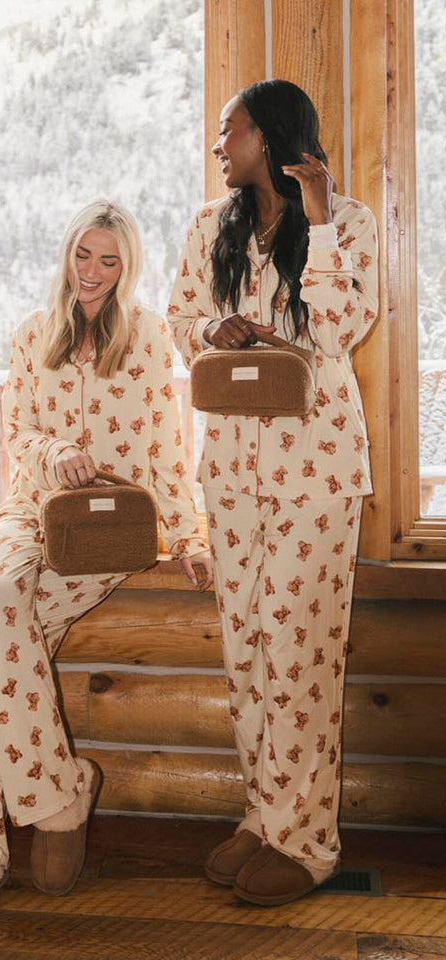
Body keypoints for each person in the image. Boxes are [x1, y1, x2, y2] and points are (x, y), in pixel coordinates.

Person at [0, 199, 212, 929]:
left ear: (126, 267)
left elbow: (166, 445)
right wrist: (55, 453)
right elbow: (17, 431)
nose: (93, 272)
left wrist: (188, 536)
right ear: (68, 253)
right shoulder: (31, 334)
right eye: (84, 255)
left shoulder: (147, 338)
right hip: (30, 510)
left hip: (109, 529)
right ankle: (59, 794)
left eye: (109, 261)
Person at [168, 80, 379, 906]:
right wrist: (211, 329)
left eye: (231, 130)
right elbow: (180, 319)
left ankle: (308, 842)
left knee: (301, 653)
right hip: (231, 471)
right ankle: (265, 815)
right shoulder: (208, 228)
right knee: (246, 649)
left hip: (316, 473)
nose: (219, 144)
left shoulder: (348, 221)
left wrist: (318, 222)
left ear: (267, 136)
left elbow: (340, 331)